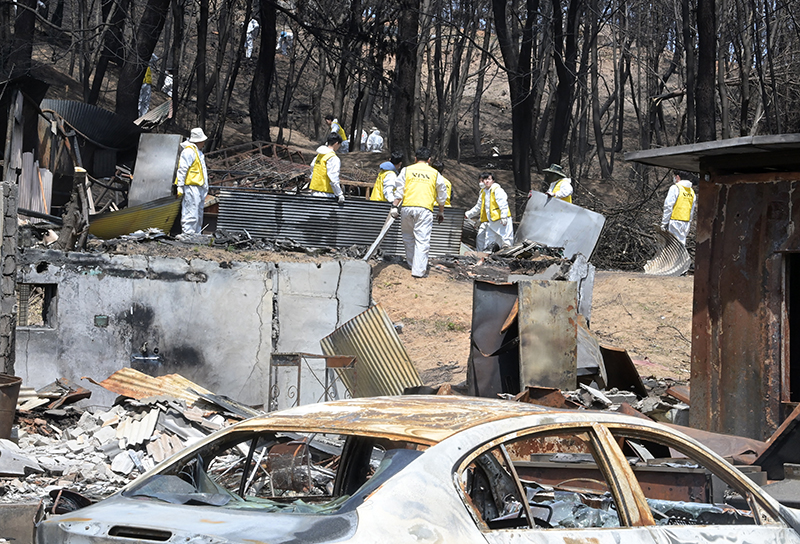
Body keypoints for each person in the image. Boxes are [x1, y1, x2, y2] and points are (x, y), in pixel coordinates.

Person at [392, 147, 448, 278]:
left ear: (415, 159)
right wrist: (441, 212)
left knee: (408, 237)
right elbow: (442, 195)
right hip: (424, 209)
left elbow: (399, 190)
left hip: (407, 207)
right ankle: (418, 270)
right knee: (422, 240)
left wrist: (394, 207)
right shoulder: (435, 173)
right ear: (429, 160)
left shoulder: (407, 170)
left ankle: (411, 263)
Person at [465, 172, 514, 252]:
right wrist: (468, 214)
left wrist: (504, 216)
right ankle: (488, 258)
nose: (486, 181)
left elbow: (503, 204)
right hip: (492, 222)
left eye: (489, 179)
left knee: (506, 241)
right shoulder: (483, 192)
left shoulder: (497, 190)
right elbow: (478, 207)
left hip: (502, 221)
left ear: (493, 181)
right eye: (485, 179)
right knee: (489, 242)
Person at [174, 128, 209, 236]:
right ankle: (188, 234)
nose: (204, 143)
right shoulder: (189, 151)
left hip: (198, 186)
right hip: (191, 186)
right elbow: (182, 169)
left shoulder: (197, 152)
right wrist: (180, 186)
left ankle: (196, 235)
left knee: (197, 212)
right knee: (190, 211)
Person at [661, 170, 697, 246]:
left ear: (677, 177)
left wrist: (664, 223)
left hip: (674, 221)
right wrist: (689, 222)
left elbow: (668, 206)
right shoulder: (691, 191)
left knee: (672, 246)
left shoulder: (675, 188)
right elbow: (692, 209)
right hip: (686, 222)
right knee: (681, 245)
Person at [309, 133, 345, 203]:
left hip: (314, 192)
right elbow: (333, 177)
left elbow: (312, 169)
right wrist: (339, 194)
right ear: (336, 143)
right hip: (326, 195)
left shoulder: (319, 156)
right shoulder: (333, 158)